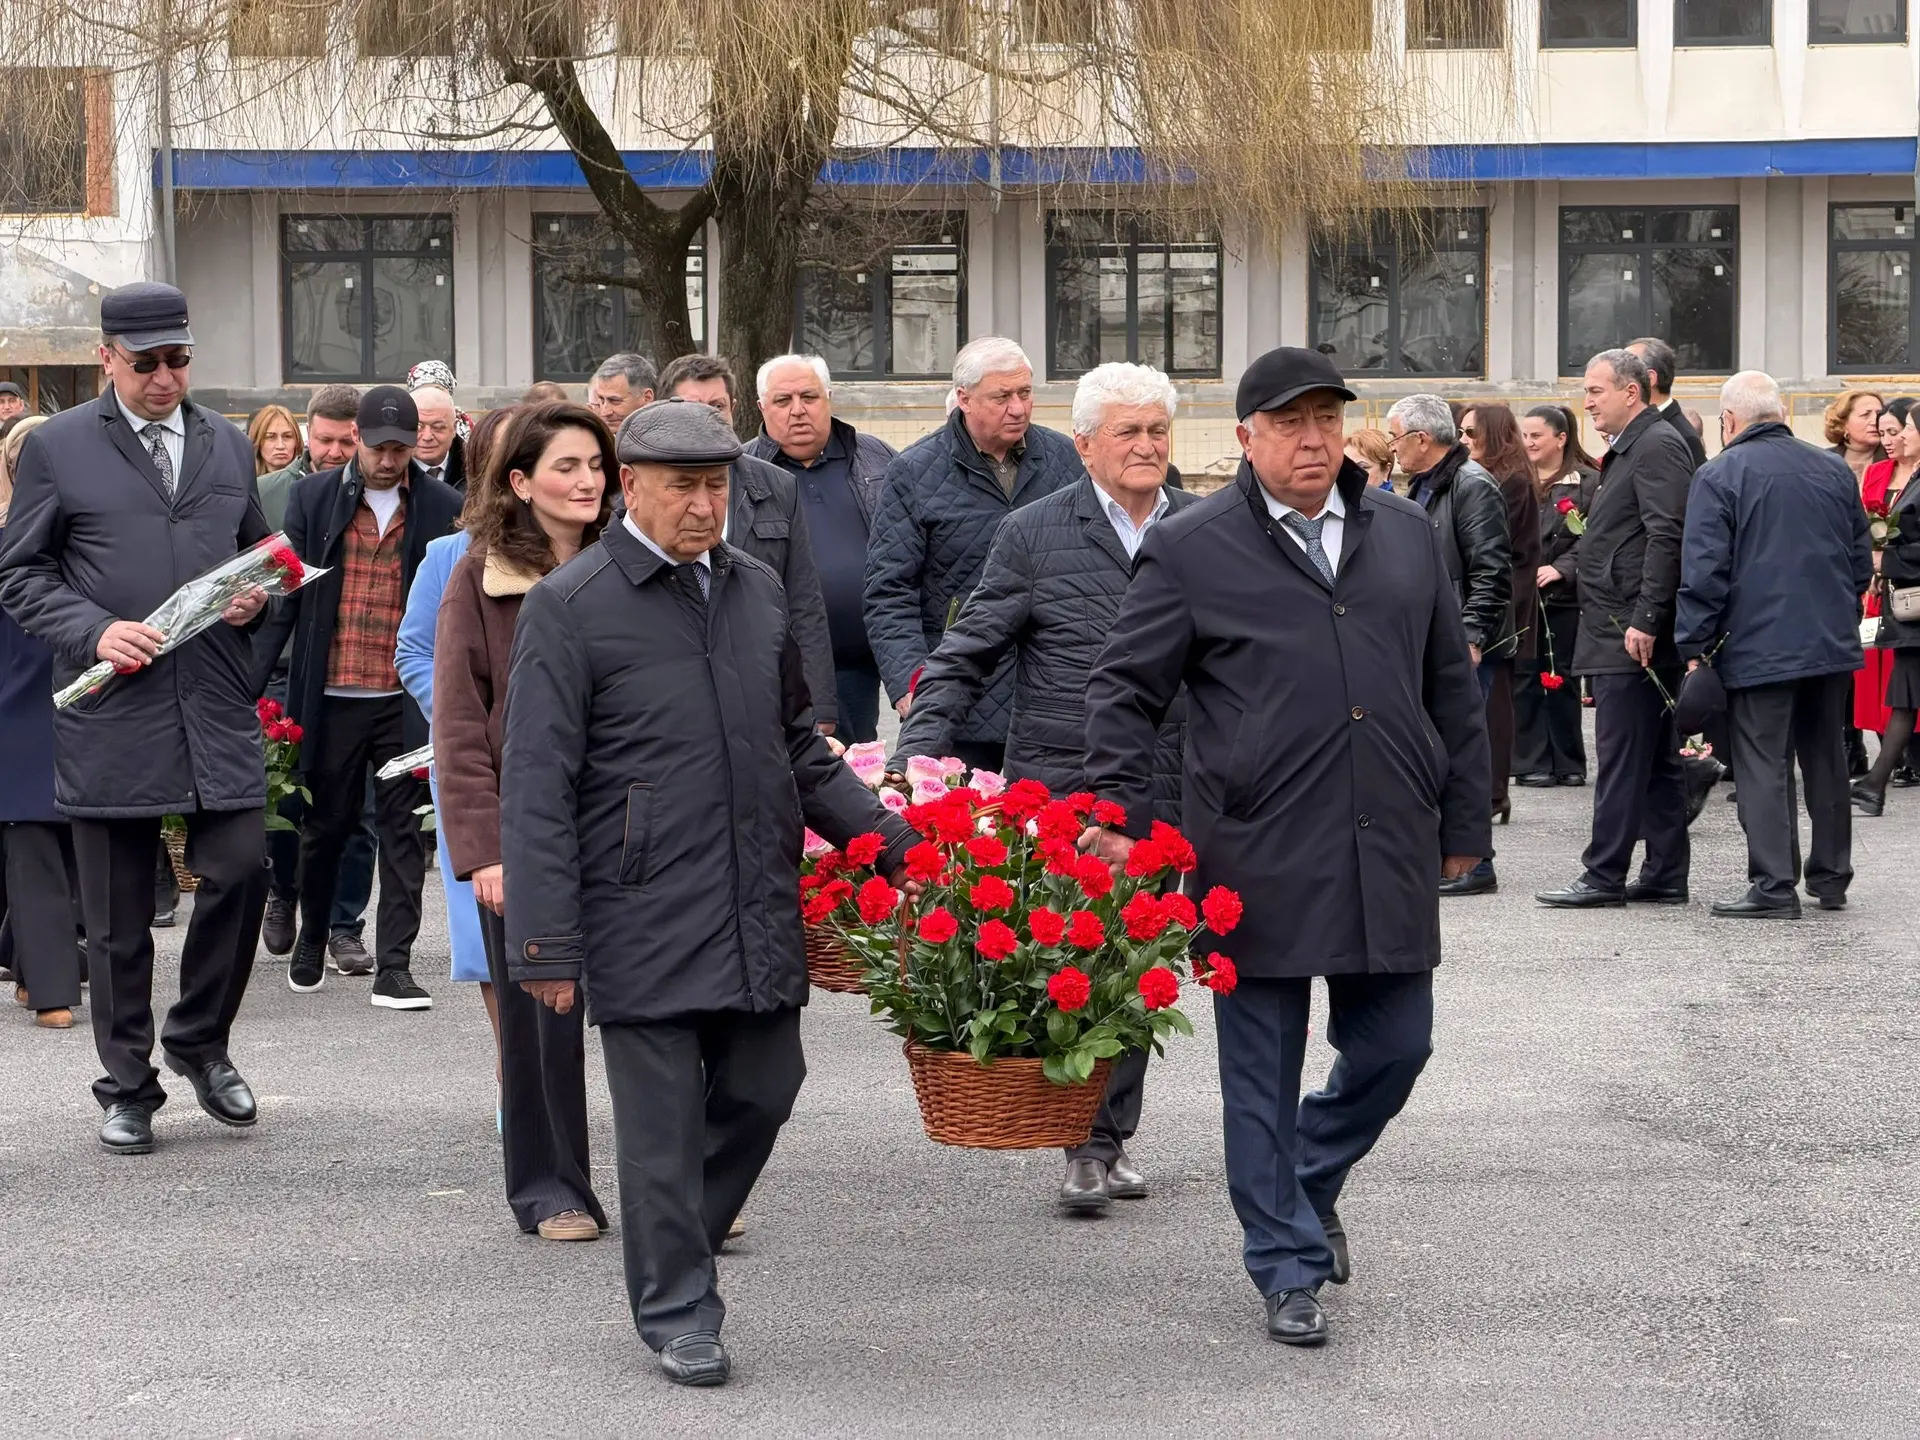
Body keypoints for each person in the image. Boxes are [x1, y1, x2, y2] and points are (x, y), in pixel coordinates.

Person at [499, 400, 918, 1386]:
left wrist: (892, 842)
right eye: (683, 485)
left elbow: (797, 751)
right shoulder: (574, 603)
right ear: (629, 486)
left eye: (716, 485)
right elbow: (537, 782)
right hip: (637, 901)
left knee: (769, 1085)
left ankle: (671, 1226)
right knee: (657, 1127)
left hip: (751, 893)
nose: (702, 505)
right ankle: (679, 1308)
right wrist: (546, 943)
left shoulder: (756, 589)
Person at [1081, 347, 1490, 1347]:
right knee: (1257, 1075)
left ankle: (1306, 1178)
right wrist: (1122, 822)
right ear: (1246, 439)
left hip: (1386, 838)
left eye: (1327, 418)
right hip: (1253, 851)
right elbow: (1123, 692)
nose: (1313, 438)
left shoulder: (1401, 532)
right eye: (1290, 421)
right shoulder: (1192, 547)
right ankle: (1285, 1263)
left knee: (1398, 1046)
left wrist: (1464, 825)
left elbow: (1451, 687)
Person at [895, 361, 1194, 1214]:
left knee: (1142, 963)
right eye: (1128, 433)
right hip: (1064, 786)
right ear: (1087, 444)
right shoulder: (1035, 532)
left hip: (1171, 784)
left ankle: (1108, 1135)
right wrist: (916, 764)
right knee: (1080, 958)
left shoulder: (1205, 531)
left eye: (1158, 432)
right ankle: (1083, 1138)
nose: (1146, 447)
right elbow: (969, 650)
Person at [0, 281, 272, 1155]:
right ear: (107, 357)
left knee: (239, 870)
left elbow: (257, 558)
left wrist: (252, 601)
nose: (165, 376)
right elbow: (21, 575)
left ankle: (200, 1042)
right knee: (116, 919)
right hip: (114, 706)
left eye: (179, 359)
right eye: (147, 361)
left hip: (214, 704)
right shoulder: (61, 447)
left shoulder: (228, 444)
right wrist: (93, 629)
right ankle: (127, 1084)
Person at [435, 402, 613, 1242]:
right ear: (519, 482)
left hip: (629, 825)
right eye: (566, 467)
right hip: (526, 833)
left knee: (670, 1012)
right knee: (540, 1022)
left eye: (596, 466)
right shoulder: (481, 577)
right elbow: (460, 727)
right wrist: (487, 853)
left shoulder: (634, 565)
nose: (586, 482)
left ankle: (688, 1184)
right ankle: (551, 1187)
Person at [251, 386, 462, 1009]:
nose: (391, 460)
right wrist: (250, 678)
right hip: (333, 692)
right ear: (359, 440)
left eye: (401, 448)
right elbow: (286, 592)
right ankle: (314, 932)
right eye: (379, 447)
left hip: (405, 697)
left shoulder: (442, 505)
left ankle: (394, 965)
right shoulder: (314, 498)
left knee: (402, 832)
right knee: (326, 826)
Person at [1676, 372, 1870, 918]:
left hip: (1758, 642)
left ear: (1729, 420)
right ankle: (1831, 877)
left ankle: (1773, 884)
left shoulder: (1720, 473)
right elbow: (1858, 559)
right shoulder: (1832, 468)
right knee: (1826, 756)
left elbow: (1705, 568)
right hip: (1828, 638)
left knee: (1764, 763)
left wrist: (1695, 642)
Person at [866, 336, 1084, 772]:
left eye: (1025, 392)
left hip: (1054, 693)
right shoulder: (914, 471)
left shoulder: (1067, 458)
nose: (1019, 408)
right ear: (963, 398)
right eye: (1002, 396)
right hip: (959, 700)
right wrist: (911, 682)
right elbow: (889, 591)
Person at [1536, 349, 1695, 909]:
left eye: (1596, 390)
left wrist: (1647, 618)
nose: (1587, 402)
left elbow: (1666, 536)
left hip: (1627, 626)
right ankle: (1664, 873)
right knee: (1651, 759)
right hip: (1616, 622)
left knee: (1626, 756)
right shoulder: (1633, 447)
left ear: (1632, 392)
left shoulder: (1653, 446)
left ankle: (1603, 874)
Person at [395, 409, 514, 1071]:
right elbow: (413, 649)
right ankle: (513, 1071)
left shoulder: (582, 551)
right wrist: (458, 716)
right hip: (471, 765)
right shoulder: (447, 557)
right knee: (486, 927)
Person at [255, 384, 376, 965]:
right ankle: (283, 890)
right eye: (323, 439)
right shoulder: (271, 494)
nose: (333, 451)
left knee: (357, 808)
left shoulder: (382, 493)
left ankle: (343, 923)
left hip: (355, 672)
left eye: (345, 440)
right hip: (285, 669)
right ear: (308, 433)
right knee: (285, 795)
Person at [659, 355, 839, 732]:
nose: (707, 419)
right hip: (674, 684)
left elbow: (804, 602)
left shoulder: (777, 485)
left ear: (734, 409)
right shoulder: (641, 496)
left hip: (762, 682)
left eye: (717, 407)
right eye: (692, 408)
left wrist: (819, 709)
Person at [1386, 394, 1509, 897]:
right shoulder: (1427, 487)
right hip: (1430, 640)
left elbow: (1491, 569)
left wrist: (1472, 635)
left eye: (1395, 437)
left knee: (1460, 746)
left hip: (1461, 643)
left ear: (1421, 439)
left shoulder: (1470, 484)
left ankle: (1476, 862)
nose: (1392, 450)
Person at [745, 354, 899, 744]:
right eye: (783, 401)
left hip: (865, 665)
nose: (798, 411)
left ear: (828, 398)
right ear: (762, 408)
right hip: (782, 667)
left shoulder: (877, 457)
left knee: (859, 772)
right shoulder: (741, 472)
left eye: (809, 397)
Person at [0, 412, 83, 1029]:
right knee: (35, 845)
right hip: (21, 707)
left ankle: (35, 968)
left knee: (62, 849)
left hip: (80, 701)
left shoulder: (89, 538)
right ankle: (51, 986)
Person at [1460, 402, 1540, 831]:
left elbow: (1498, 548)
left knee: (1494, 703)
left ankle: (1494, 790)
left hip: (1502, 601)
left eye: (1472, 433)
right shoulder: (1490, 477)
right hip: (1495, 597)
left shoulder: (1507, 481)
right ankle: (1489, 790)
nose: (1465, 441)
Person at [1514, 405, 1598, 787]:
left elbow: (1596, 538)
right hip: (1524, 596)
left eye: (1536, 436)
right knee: (1526, 676)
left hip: (1565, 596)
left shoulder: (1588, 483)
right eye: (1525, 435)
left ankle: (1568, 761)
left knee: (1562, 676)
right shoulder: (1516, 481)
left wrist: (1562, 568)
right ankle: (1530, 761)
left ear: (1561, 439)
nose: (1528, 442)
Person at [1855, 401, 1920, 817]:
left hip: (1915, 606)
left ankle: (1874, 783)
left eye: (1908, 427)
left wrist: (1886, 561)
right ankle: (1874, 783)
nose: (1901, 435)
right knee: (1904, 694)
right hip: (1908, 607)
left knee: (1905, 694)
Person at [1627, 336, 1709, 471]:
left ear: (1650, 379)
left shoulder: (1683, 436)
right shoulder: (1635, 426)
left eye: (1625, 372)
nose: (1617, 379)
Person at [1826, 389, 1885, 485]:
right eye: (1865, 415)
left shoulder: (1897, 459)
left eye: (1879, 414)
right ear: (1843, 424)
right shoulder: (1825, 461)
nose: (1875, 421)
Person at [587, 352, 657, 432]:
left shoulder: (668, 440)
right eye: (601, 401)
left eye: (614, 401)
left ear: (647, 398)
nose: (604, 412)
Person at [248, 404, 301, 477]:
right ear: (257, 441)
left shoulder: (310, 481)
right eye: (270, 437)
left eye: (287, 436)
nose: (280, 446)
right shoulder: (243, 481)